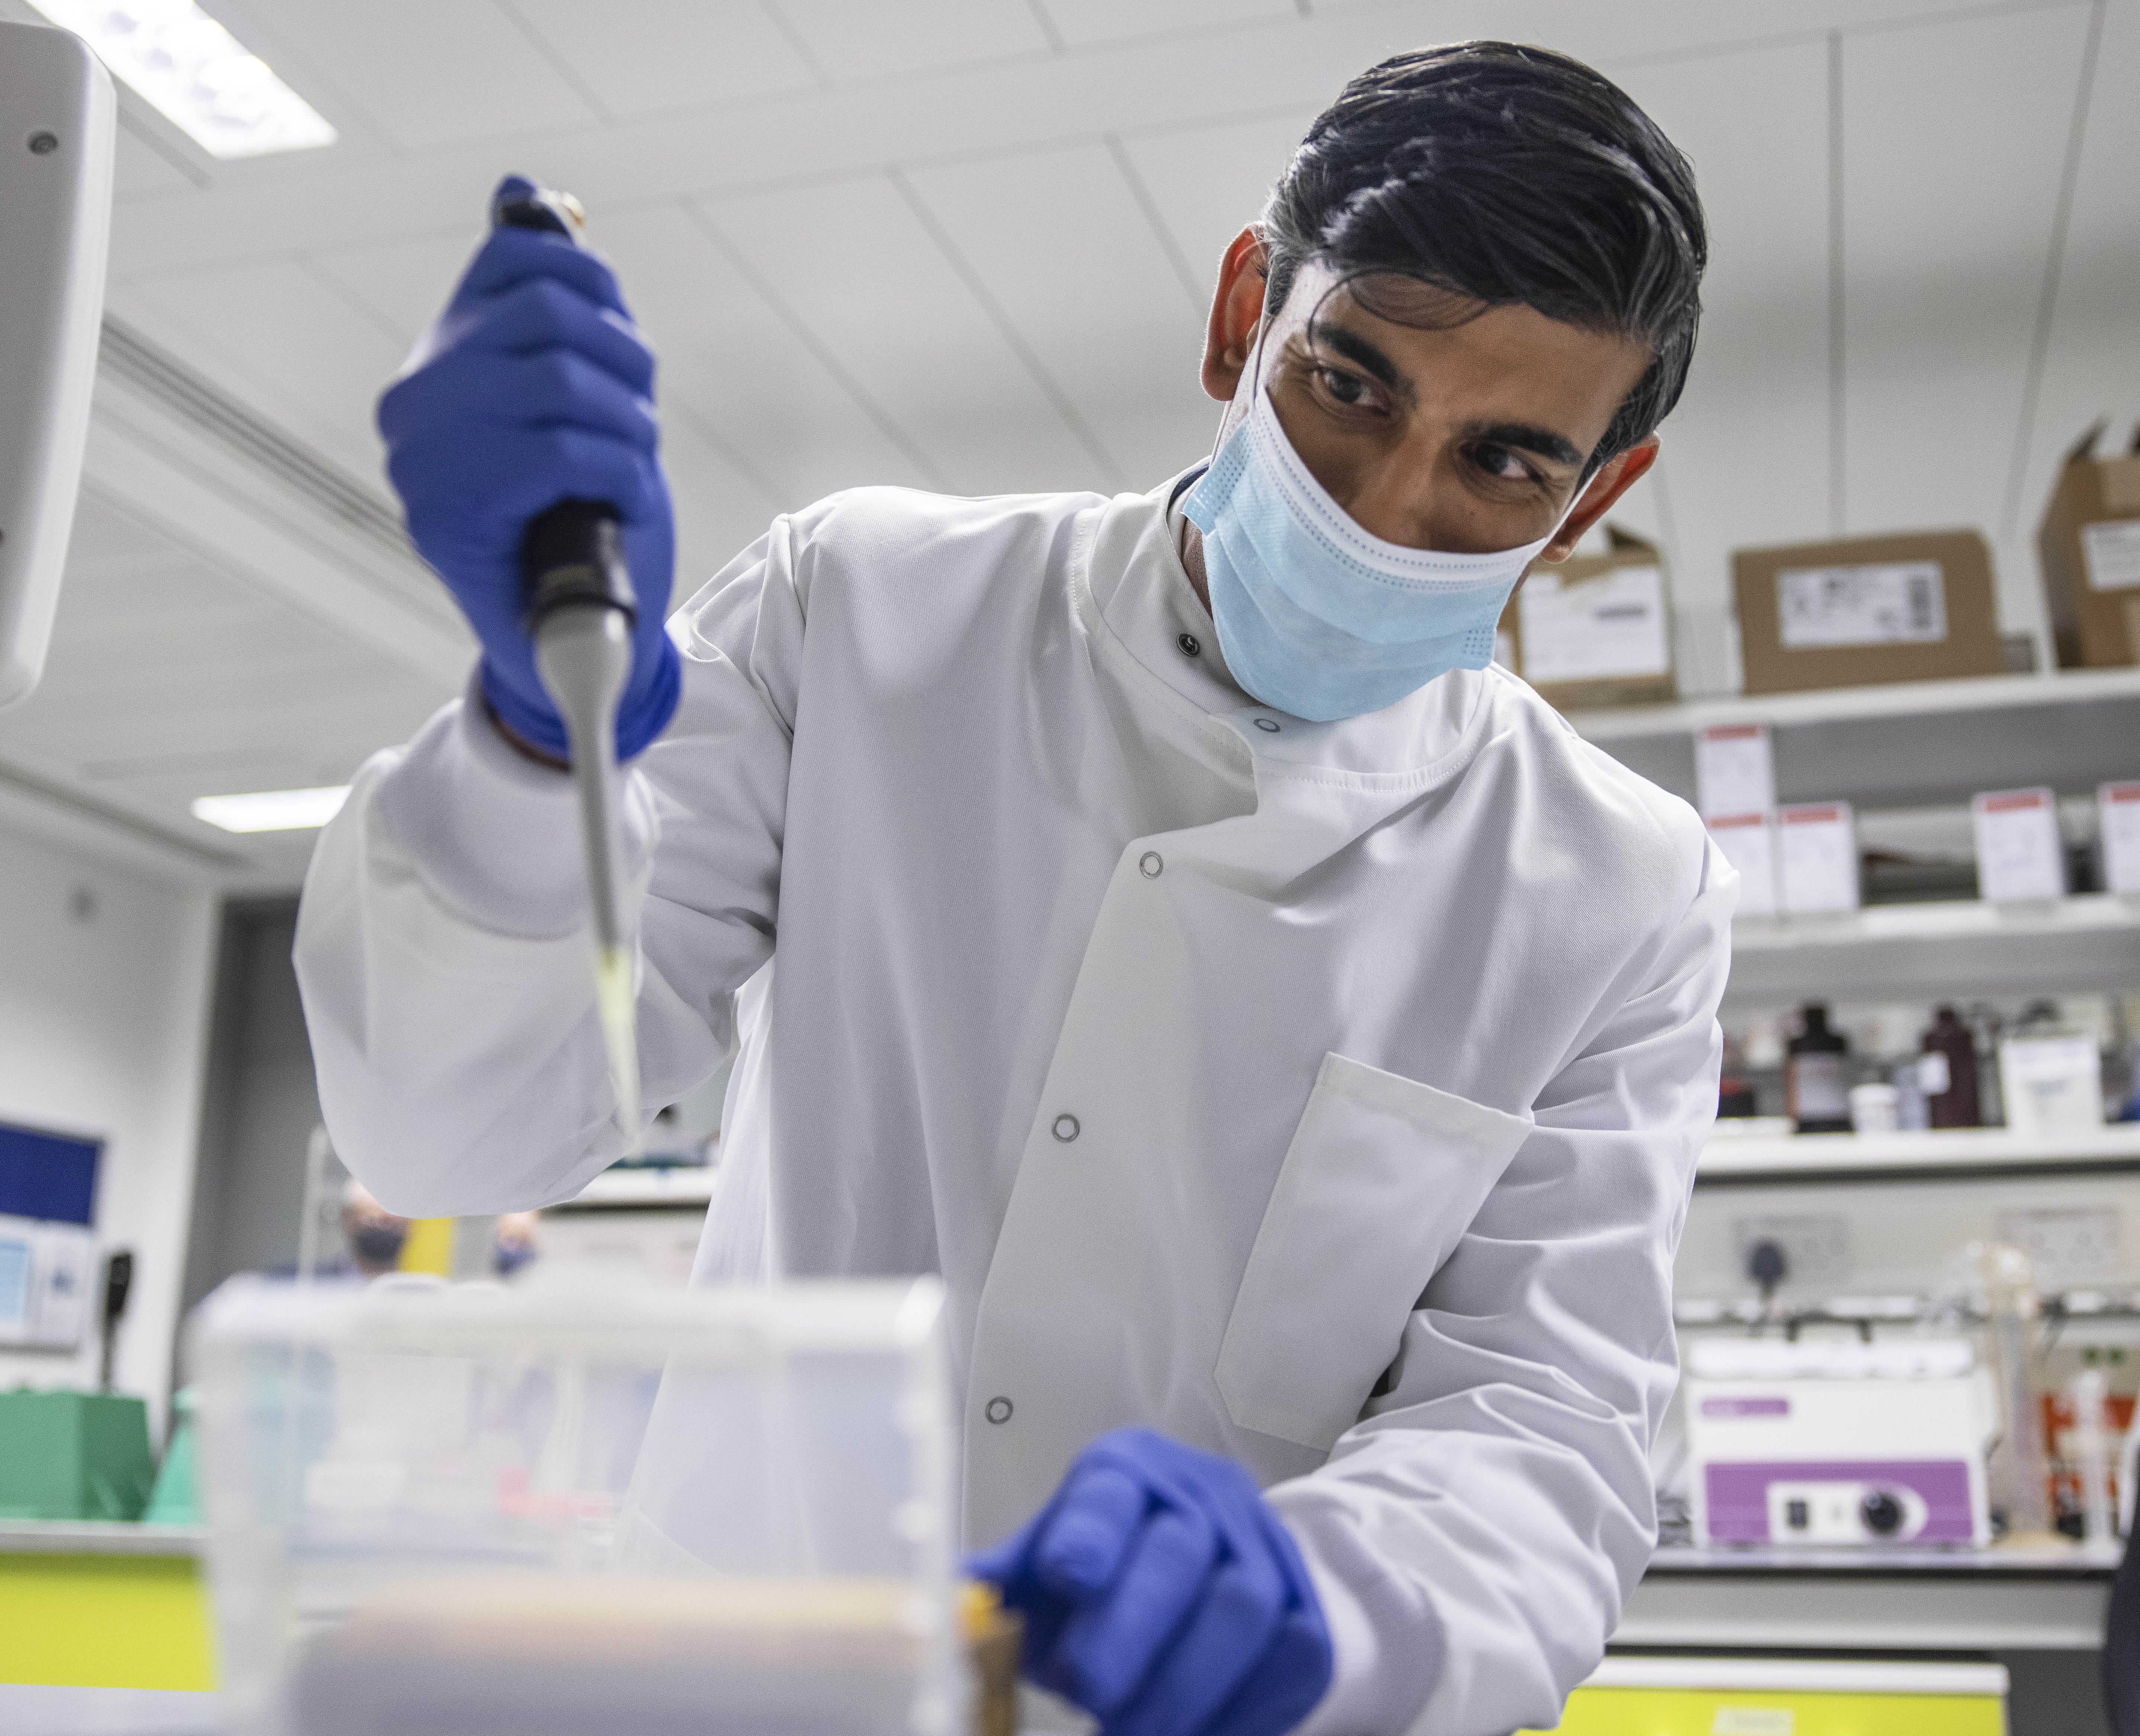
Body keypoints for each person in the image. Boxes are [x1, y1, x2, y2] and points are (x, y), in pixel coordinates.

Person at [295, 39, 1730, 1736]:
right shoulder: (870, 607)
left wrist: (1328, 1606)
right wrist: (548, 737)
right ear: (1241, 313)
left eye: (1504, 463)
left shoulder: (1618, 888)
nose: (1390, 510)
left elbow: (1549, 1422)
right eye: (1347, 384)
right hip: (751, 1675)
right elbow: (449, 1140)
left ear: (1601, 491)